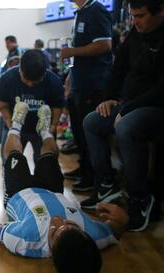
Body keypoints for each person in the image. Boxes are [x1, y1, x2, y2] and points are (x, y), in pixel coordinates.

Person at [0, 102, 129, 273]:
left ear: (51, 253)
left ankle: (16, 124)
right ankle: (44, 130)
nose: (57, 220)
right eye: (70, 224)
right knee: (49, 156)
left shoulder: (24, 241)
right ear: (86, 237)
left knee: (13, 155)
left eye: (53, 231)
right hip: (52, 191)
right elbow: (117, 228)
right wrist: (119, 217)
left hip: (18, 194)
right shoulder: (96, 237)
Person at [81, 0, 164, 231]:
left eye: (141, 16)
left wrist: (127, 108)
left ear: (162, 9)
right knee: (92, 121)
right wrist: (108, 98)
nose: (135, 21)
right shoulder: (137, 32)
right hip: (136, 105)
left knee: (126, 126)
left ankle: (140, 199)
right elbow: (118, 70)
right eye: (133, 15)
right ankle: (107, 184)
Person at [60, 0, 113, 192]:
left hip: (94, 84)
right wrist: (70, 77)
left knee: (89, 133)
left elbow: (105, 44)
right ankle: (85, 169)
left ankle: (96, 178)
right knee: (78, 132)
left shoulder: (96, 10)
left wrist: (72, 51)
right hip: (79, 84)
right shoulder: (80, 12)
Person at [0, 49, 64, 163]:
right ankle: (16, 126)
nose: (30, 84)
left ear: (44, 73)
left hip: (42, 126)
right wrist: (11, 125)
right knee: (11, 163)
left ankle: (45, 131)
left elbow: (57, 108)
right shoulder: (6, 79)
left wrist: (52, 128)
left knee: (48, 163)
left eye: (35, 82)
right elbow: (2, 105)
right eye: (26, 80)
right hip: (14, 123)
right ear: (20, 69)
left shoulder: (54, 82)